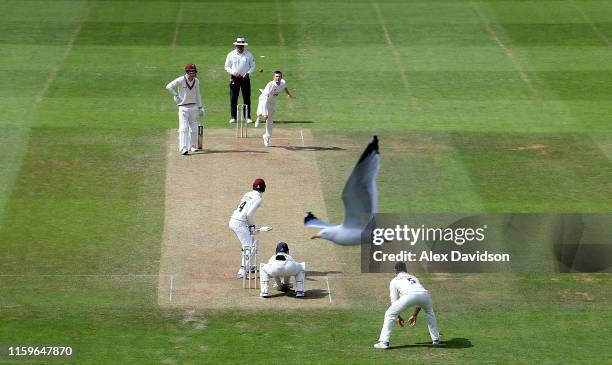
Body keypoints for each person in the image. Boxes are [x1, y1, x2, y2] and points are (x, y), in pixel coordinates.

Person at [373, 262, 440, 349]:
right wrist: (414, 315)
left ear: (395, 270)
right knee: (430, 312)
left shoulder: (394, 281)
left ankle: (384, 342)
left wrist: (398, 316)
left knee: (389, 313)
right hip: (425, 294)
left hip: (410, 295)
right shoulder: (414, 277)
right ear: (405, 270)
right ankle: (436, 339)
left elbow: (394, 301)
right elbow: (419, 295)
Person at [229, 178, 267, 278]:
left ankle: (249, 267)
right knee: (248, 246)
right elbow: (249, 215)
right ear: (263, 188)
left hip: (234, 219)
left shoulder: (247, 194)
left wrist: (251, 228)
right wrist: (252, 227)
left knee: (250, 241)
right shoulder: (258, 198)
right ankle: (242, 271)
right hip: (240, 222)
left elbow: (245, 212)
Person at [165, 64, 205, 155]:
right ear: (187, 72)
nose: (193, 73)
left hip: (193, 107)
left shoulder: (196, 81)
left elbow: (198, 94)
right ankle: (183, 148)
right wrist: (175, 94)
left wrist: (200, 107)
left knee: (194, 128)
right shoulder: (181, 79)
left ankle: (193, 146)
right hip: (183, 107)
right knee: (183, 128)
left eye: (194, 72)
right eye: (191, 71)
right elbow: (168, 86)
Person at [255, 70, 296, 147]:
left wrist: (288, 95)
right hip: (264, 100)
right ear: (273, 77)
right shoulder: (270, 85)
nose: (278, 78)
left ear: (281, 77)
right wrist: (264, 113)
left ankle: (266, 137)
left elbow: (285, 87)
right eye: (276, 76)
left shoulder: (283, 82)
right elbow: (265, 100)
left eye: (279, 76)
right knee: (261, 113)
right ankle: (259, 117)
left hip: (272, 103)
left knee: (270, 121)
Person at [224, 37, 256, 124]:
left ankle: (247, 117)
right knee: (233, 97)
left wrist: (248, 73)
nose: (240, 47)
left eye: (242, 46)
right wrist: (233, 72)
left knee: (246, 97)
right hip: (234, 77)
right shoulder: (231, 54)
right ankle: (233, 117)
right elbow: (226, 66)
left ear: (244, 46)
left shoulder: (249, 54)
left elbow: (253, 66)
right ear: (236, 45)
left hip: (245, 77)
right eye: (239, 45)